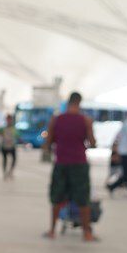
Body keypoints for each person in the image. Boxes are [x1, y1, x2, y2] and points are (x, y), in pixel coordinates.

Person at [44, 92, 98, 240]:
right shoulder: (86, 120)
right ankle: (87, 233)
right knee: (83, 198)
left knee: (57, 197)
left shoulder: (56, 120)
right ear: (79, 102)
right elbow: (93, 143)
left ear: (68, 102)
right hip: (79, 163)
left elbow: (48, 143)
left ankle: (52, 231)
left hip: (61, 163)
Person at [0, 113, 18, 179]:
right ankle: (5, 172)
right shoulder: (2, 128)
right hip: (4, 146)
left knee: (14, 159)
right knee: (5, 160)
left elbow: (18, 135)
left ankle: (10, 171)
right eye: (8, 119)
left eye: (10, 119)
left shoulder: (14, 128)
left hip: (12, 146)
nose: (9, 120)